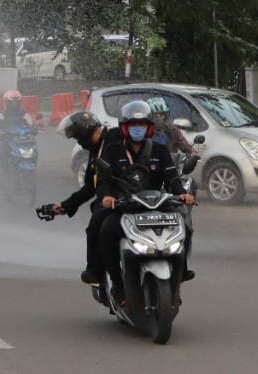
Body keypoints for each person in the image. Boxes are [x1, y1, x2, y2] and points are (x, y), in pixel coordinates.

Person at [95, 100, 195, 306]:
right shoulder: (113, 151)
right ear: (124, 127)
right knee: (105, 230)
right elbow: (104, 181)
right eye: (133, 125)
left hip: (156, 205)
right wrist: (107, 197)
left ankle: (180, 273)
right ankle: (117, 285)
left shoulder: (160, 151)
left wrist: (182, 194)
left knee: (185, 225)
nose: (137, 129)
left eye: (141, 125)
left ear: (148, 127)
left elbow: (172, 178)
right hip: (124, 207)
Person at [46, 110, 121, 286]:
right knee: (96, 224)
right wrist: (64, 206)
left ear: (84, 132)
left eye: (77, 137)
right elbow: (89, 187)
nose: (78, 142)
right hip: (109, 201)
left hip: (136, 195)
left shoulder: (117, 138)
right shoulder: (95, 153)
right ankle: (96, 272)